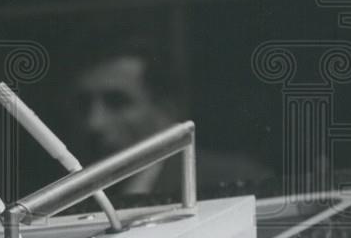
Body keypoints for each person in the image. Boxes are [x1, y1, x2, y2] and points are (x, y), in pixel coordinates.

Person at [70, 37, 269, 197]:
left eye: (117, 102)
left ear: (167, 108)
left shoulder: (234, 180)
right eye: (83, 105)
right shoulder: (71, 195)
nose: (94, 123)